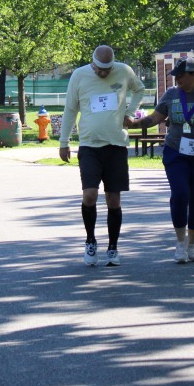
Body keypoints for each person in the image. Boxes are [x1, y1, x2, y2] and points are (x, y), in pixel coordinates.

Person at [130, 58, 194, 263]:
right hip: (176, 152)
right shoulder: (171, 94)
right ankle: (180, 243)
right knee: (180, 194)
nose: (177, 79)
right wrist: (131, 123)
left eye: (180, 75)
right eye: (175, 76)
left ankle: (192, 245)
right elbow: (154, 118)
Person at [59, 45, 145, 267]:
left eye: (108, 69)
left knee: (113, 199)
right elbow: (70, 109)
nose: (104, 73)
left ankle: (113, 247)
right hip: (89, 145)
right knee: (89, 195)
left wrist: (130, 112)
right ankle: (90, 241)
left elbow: (139, 89)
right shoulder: (79, 75)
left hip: (116, 144)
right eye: (100, 69)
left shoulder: (124, 71)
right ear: (93, 63)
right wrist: (64, 142)